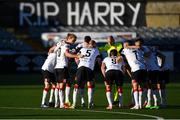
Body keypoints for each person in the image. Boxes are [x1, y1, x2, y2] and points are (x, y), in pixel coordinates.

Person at [53, 33, 83, 108]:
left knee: (61, 85)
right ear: (69, 38)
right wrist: (77, 56)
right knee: (62, 85)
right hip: (63, 67)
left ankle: (61, 104)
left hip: (57, 67)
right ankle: (63, 104)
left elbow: (53, 50)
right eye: (73, 40)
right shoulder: (66, 45)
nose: (73, 42)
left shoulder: (60, 43)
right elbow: (66, 54)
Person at [70, 40, 101, 109]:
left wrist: (79, 64)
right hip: (89, 68)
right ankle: (90, 103)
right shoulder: (96, 50)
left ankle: (74, 104)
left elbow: (77, 57)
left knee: (76, 85)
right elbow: (99, 60)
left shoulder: (83, 49)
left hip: (81, 67)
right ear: (94, 44)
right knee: (90, 85)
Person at [121, 39, 147, 109]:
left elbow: (121, 57)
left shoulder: (125, 50)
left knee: (135, 86)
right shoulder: (139, 50)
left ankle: (137, 105)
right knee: (141, 86)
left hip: (136, 69)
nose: (123, 46)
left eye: (124, 45)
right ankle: (141, 104)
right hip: (143, 68)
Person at [99, 36, 123, 104]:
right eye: (108, 41)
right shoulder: (107, 46)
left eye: (110, 41)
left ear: (113, 40)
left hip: (118, 63)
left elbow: (121, 52)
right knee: (110, 84)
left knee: (117, 85)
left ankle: (115, 99)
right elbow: (100, 49)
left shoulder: (118, 45)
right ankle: (114, 100)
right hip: (110, 64)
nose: (109, 42)